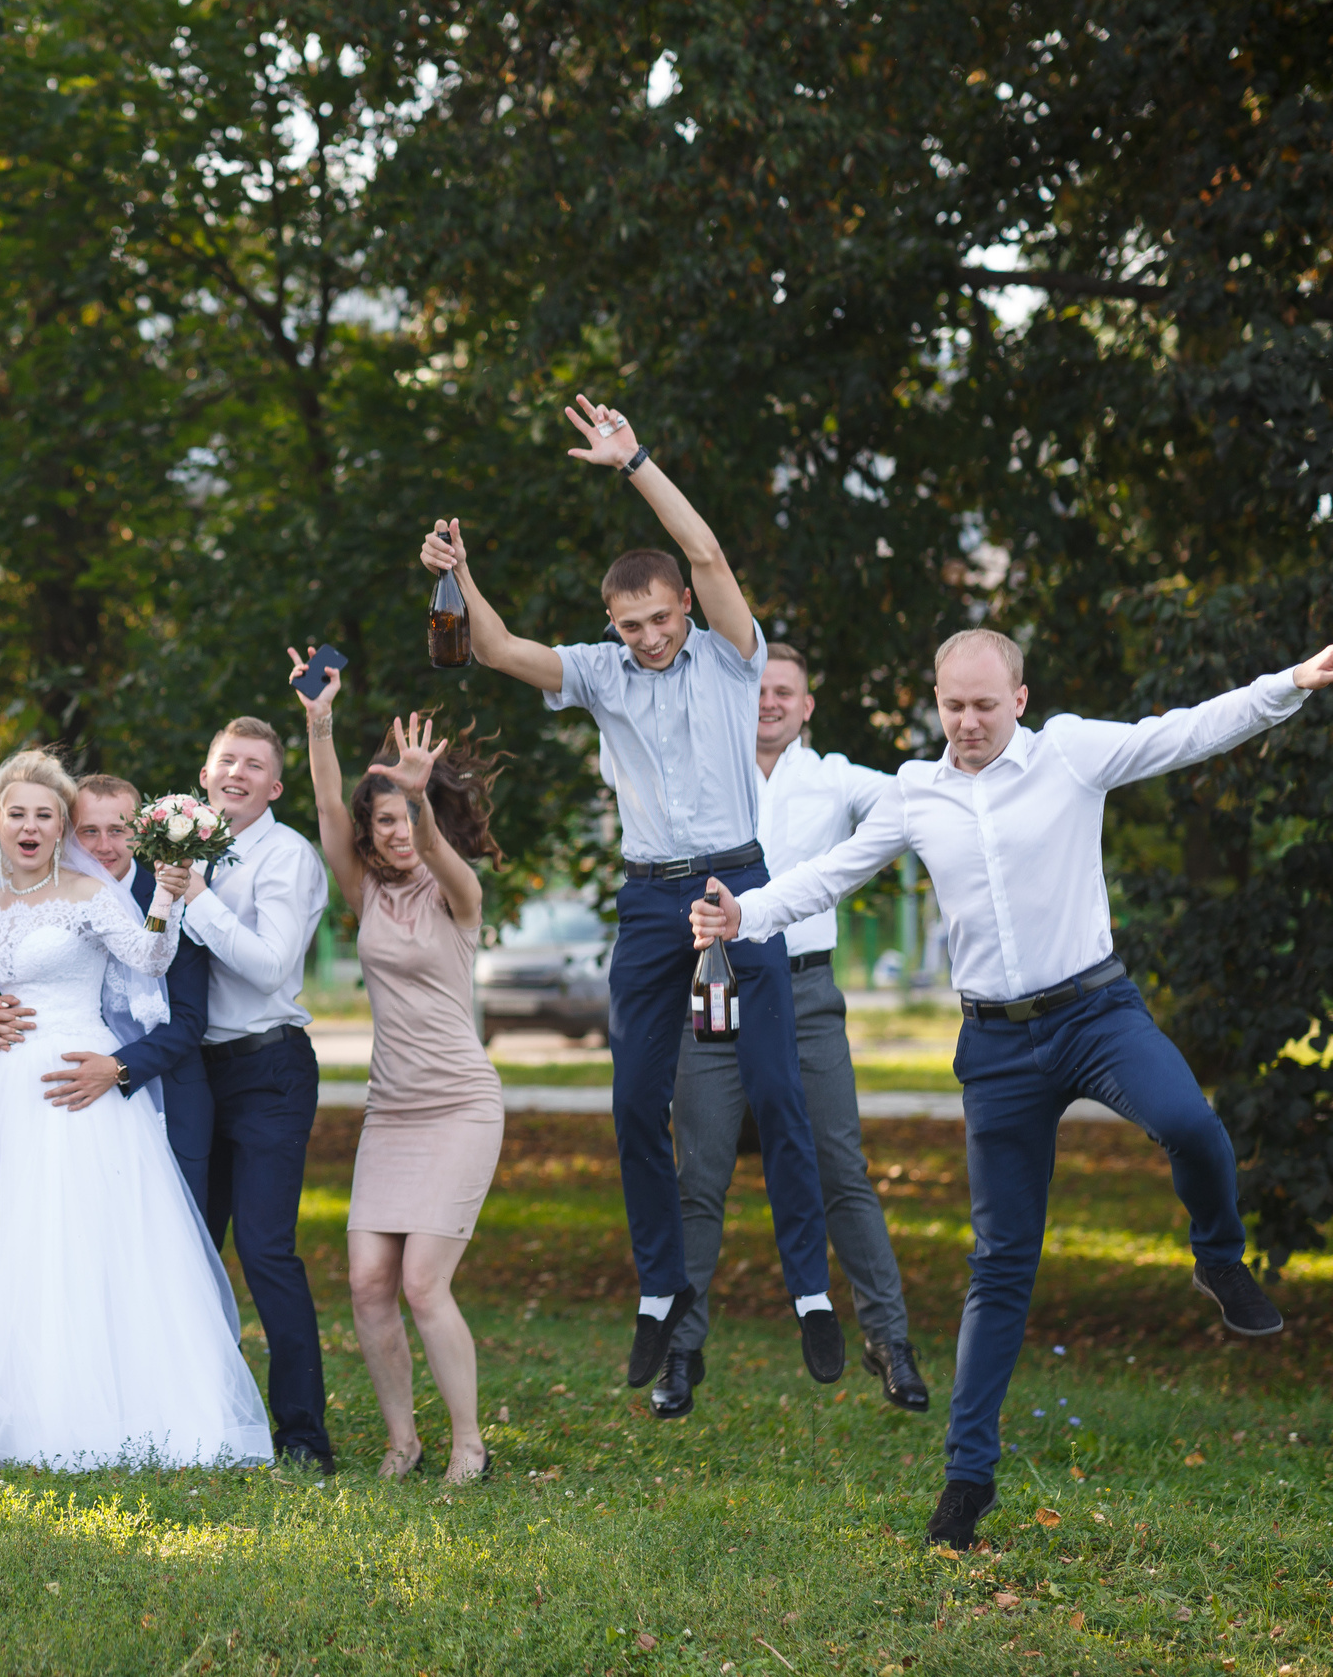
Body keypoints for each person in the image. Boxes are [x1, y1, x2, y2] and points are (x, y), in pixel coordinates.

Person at [692, 627, 1333, 1548]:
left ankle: (1217, 1255)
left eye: (985, 705)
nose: (968, 722)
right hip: (995, 1047)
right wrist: (744, 912)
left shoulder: (1069, 753)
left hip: (1097, 1013)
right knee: (999, 1267)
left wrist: (1296, 681)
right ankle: (966, 1480)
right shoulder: (917, 792)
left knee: (1192, 1124)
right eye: (953, 705)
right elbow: (833, 871)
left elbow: (1187, 729)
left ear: (1020, 700)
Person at [420, 393, 839, 1392]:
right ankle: (660, 1291)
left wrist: (633, 462)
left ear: (683, 612)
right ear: (610, 624)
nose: (647, 636)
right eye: (629, 624)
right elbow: (495, 649)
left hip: (739, 882)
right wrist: (460, 577)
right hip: (648, 899)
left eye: (658, 620)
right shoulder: (602, 672)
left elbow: (704, 554)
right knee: (630, 1102)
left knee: (779, 1094)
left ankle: (811, 1293)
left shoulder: (736, 659)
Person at [0, 750, 271, 1469]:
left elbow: (149, 958)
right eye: (17, 814)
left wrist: (164, 896)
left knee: (83, 1242)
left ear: (60, 827)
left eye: (44, 814)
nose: (30, 825)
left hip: (81, 1086)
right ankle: (4, 1415)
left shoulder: (90, 893)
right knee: (6, 1248)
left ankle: (99, 1413)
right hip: (2, 1098)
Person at [661, 642, 923, 1421]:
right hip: (713, 991)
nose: (770, 701)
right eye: (760, 690)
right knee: (699, 1174)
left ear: (808, 706)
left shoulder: (837, 779)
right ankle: (679, 1349)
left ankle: (890, 1339)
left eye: (786, 691)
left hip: (806, 997)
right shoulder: (703, 771)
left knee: (841, 1166)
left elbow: (917, 809)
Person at [292, 662, 508, 1486]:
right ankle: (402, 1440)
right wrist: (319, 724)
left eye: (406, 817)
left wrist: (418, 798)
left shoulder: (458, 892)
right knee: (367, 1281)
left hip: (459, 1104)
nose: (393, 832)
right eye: (381, 820)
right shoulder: (367, 895)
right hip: (392, 1111)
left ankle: (467, 1444)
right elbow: (322, 806)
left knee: (423, 1282)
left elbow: (448, 862)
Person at [177, 715, 335, 1473]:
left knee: (267, 1252)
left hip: (268, 1068)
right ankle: (197, 1417)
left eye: (253, 765)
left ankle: (303, 1434)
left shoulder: (286, 854)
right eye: (225, 759)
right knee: (188, 1248)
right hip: (194, 1072)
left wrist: (200, 898)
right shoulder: (175, 848)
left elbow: (271, 965)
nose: (235, 772)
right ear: (205, 773)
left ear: (274, 786)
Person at [29, 774, 215, 1206]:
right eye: (88, 831)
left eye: (118, 831)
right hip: (74, 1095)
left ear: (141, 834)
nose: (103, 846)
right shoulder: (49, 901)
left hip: (168, 1092)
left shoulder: (171, 895)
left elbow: (188, 1018)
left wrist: (117, 1068)